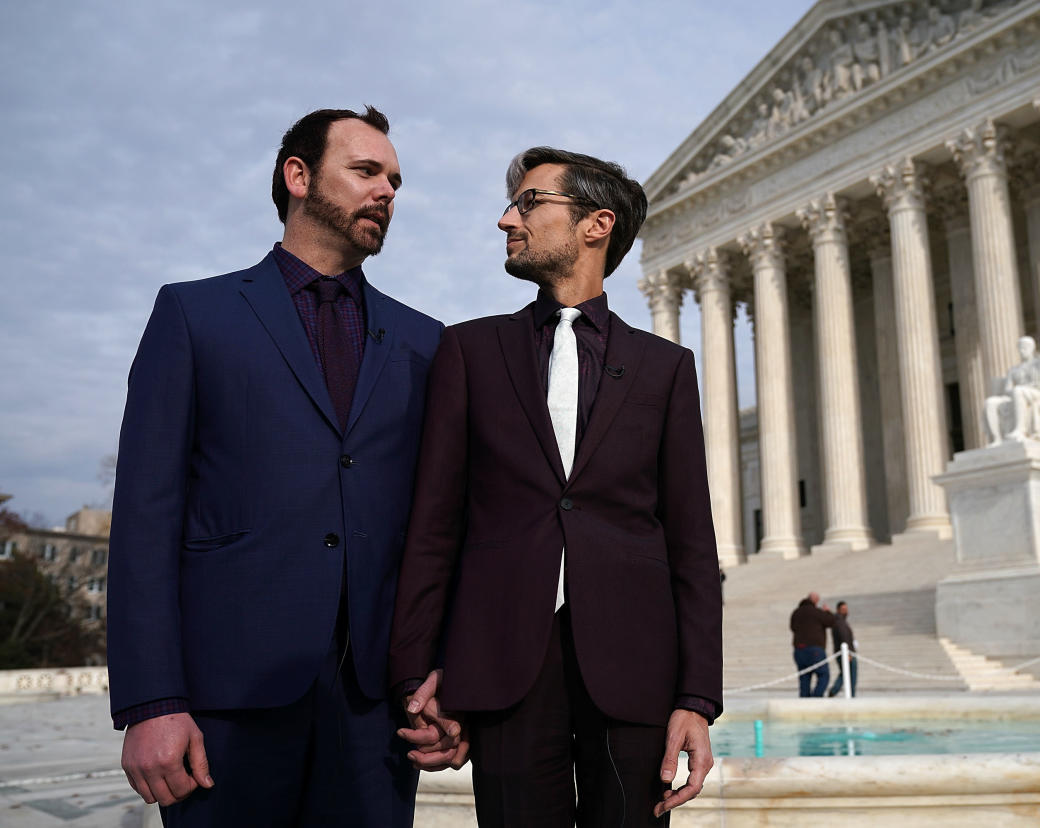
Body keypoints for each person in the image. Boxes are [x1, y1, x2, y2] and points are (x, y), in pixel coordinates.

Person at [107, 106, 444, 826]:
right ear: (298, 176)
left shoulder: (426, 342)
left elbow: (440, 526)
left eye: (395, 180)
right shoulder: (195, 316)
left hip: (375, 713)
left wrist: (445, 678)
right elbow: (145, 515)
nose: (386, 191)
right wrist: (151, 701)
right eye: (365, 171)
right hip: (223, 708)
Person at [389, 147, 722, 826]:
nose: (508, 218)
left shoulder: (666, 368)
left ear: (596, 225)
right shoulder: (470, 352)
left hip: (635, 671)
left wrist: (697, 697)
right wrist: (417, 671)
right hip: (505, 666)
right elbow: (434, 526)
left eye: (530, 202)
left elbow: (691, 540)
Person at [789, 592, 833, 697]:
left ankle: (804, 704)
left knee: (804, 679)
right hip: (814, 649)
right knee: (823, 675)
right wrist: (827, 611)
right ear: (815, 600)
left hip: (799, 650)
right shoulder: (816, 612)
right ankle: (815, 699)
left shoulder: (796, 612)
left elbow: (792, 627)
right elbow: (831, 621)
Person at [828, 601, 858, 698]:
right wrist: (848, 652)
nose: (846, 611)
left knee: (845, 673)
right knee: (851, 675)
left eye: (846, 609)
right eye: (843, 609)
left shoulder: (840, 621)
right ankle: (849, 695)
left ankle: (834, 690)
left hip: (844, 652)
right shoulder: (840, 622)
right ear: (838, 610)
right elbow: (844, 636)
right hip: (846, 653)